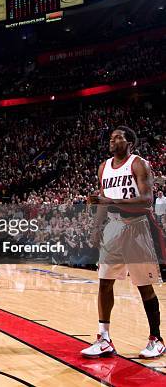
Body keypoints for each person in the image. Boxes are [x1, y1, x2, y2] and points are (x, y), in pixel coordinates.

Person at [82, 126, 165, 359]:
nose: (112, 140)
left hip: (137, 226)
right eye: (111, 137)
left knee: (144, 286)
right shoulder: (104, 167)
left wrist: (110, 200)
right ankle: (104, 338)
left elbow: (147, 200)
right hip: (113, 227)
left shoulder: (139, 164)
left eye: (118, 137)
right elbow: (102, 201)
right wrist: (97, 228)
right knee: (104, 282)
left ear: (130, 142)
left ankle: (156, 339)